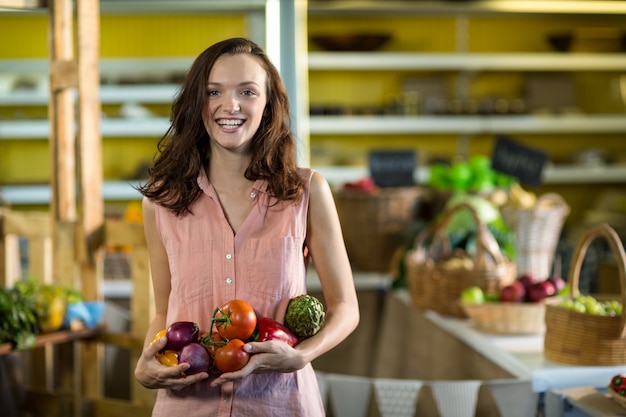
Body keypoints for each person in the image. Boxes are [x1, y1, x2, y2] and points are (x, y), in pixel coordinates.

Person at [133, 37, 359, 416]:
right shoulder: (161, 201)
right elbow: (164, 311)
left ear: (268, 104)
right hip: (188, 405)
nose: (230, 105)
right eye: (213, 91)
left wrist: (301, 356)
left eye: (248, 92)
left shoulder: (306, 192)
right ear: (195, 102)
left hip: (279, 402)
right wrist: (145, 364)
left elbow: (345, 307)